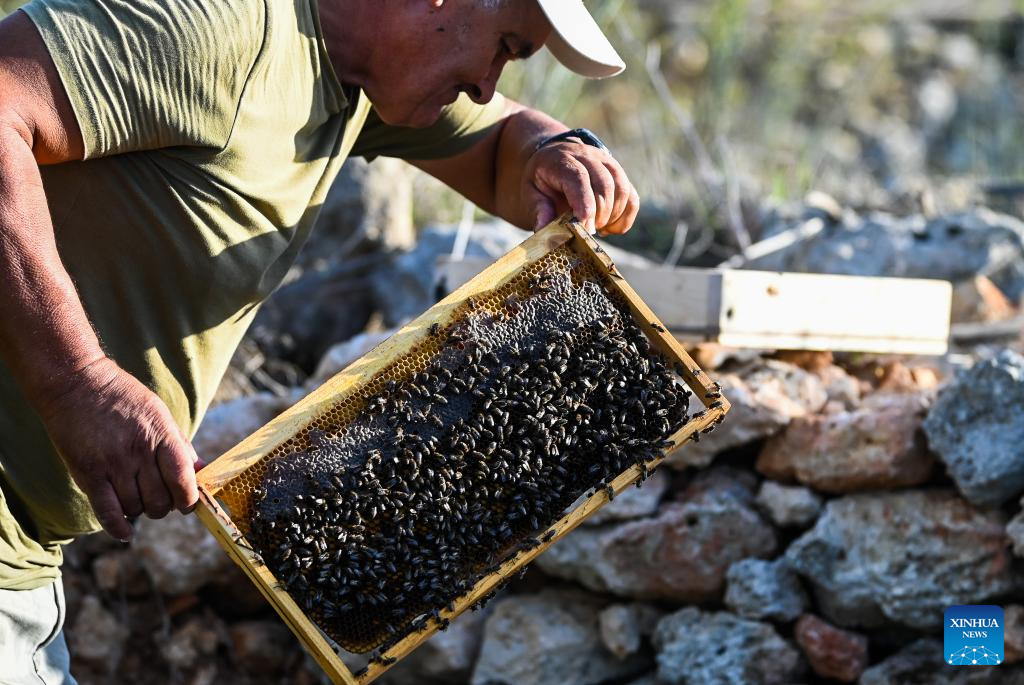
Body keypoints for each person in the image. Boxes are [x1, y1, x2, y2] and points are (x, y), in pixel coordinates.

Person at [0, 0, 639, 680]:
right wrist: (78, 382)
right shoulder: (221, 25)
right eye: (505, 46)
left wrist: (558, 152)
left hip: (26, 562)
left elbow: (503, 142)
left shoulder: (357, 82)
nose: (487, 85)